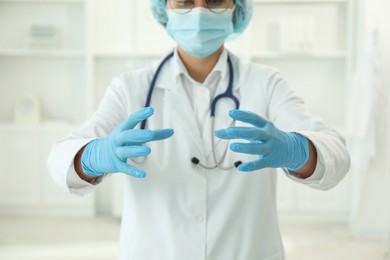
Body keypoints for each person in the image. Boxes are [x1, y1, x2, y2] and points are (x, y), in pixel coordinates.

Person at [47, 0, 350, 259]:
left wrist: (296, 149)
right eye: (184, 1)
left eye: (216, 0)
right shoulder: (131, 88)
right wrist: (93, 156)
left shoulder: (266, 83)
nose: (199, 12)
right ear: (164, 9)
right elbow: (59, 158)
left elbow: (336, 153)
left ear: (237, 9)